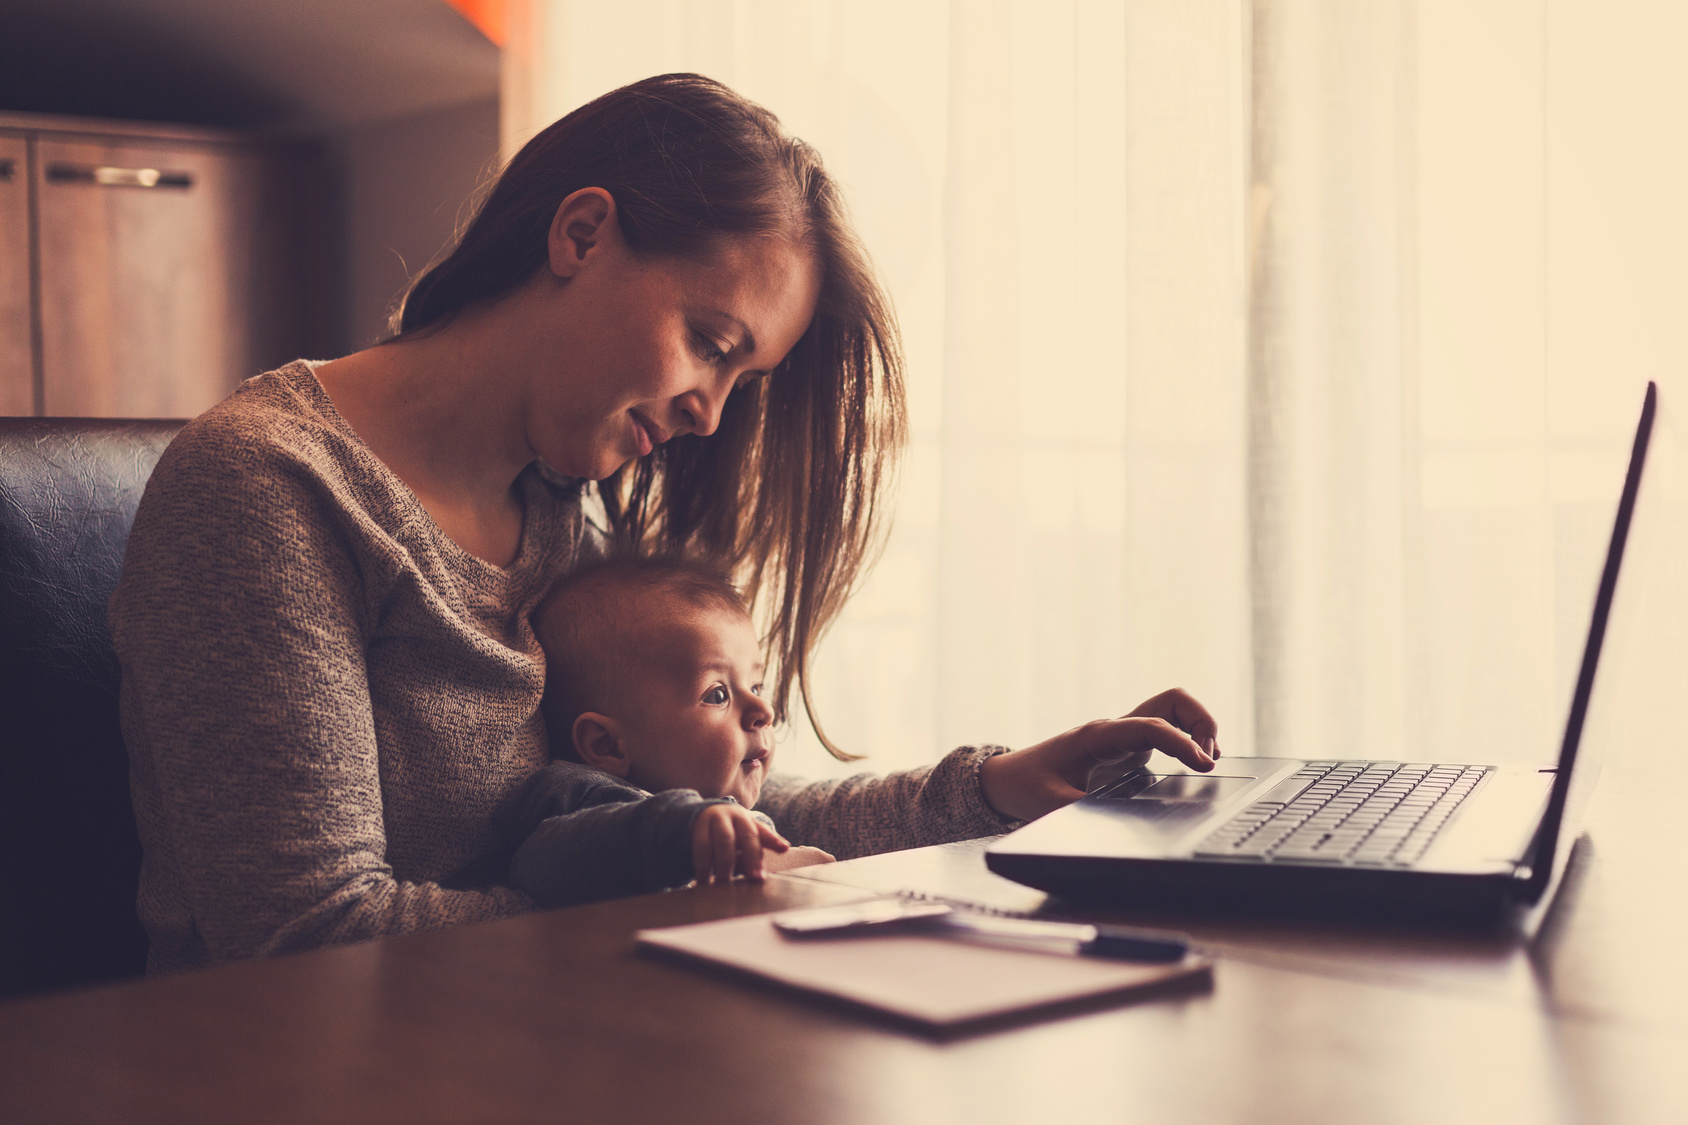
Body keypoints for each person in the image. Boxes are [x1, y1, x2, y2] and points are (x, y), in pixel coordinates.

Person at [109, 73, 1220, 975]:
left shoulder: (560, 512)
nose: (707, 414)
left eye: (742, 381)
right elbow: (307, 946)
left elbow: (689, 813)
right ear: (581, 235)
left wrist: (993, 791)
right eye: (710, 343)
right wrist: (694, 895)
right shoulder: (268, 493)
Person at [505, 554, 837, 909]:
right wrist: (683, 832)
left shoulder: (719, 806)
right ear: (608, 746)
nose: (764, 711)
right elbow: (544, 865)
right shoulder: (582, 799)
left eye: (756, 687)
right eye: (717, 695)